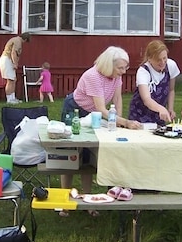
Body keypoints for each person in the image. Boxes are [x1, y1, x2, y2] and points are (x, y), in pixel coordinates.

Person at [59, 46, 141, 216]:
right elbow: (102, 109)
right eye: (120, 68)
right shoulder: (93, 76)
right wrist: (124, 122)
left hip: (94, 114)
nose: (124, 71)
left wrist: (117, 122)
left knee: (89, 157)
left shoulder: (116, 77)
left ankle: (89, 202)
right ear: (109, 65)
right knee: (70, 156)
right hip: (75, 111)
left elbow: (117, 99)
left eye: (125, 67)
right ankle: (64, 202)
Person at [128, 40, 180, 126]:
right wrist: (161, 109)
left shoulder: (171, 65)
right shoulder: (143, 72)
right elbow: (147, 99)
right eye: (158, 60)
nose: (163, 62)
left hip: (159, 116)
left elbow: (171, 90)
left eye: (164, 58)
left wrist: (170, 108)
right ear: (149, 59)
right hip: (139, 115)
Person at [0, 32, 31, 104]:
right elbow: (13, 53)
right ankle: (9, 99)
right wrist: (15, 63)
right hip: (7, 59)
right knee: (10, 80)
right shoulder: (18, 41)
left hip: (8, 60)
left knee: (13, 80)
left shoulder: (15, 39)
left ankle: (12, 98)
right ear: (25, 39)